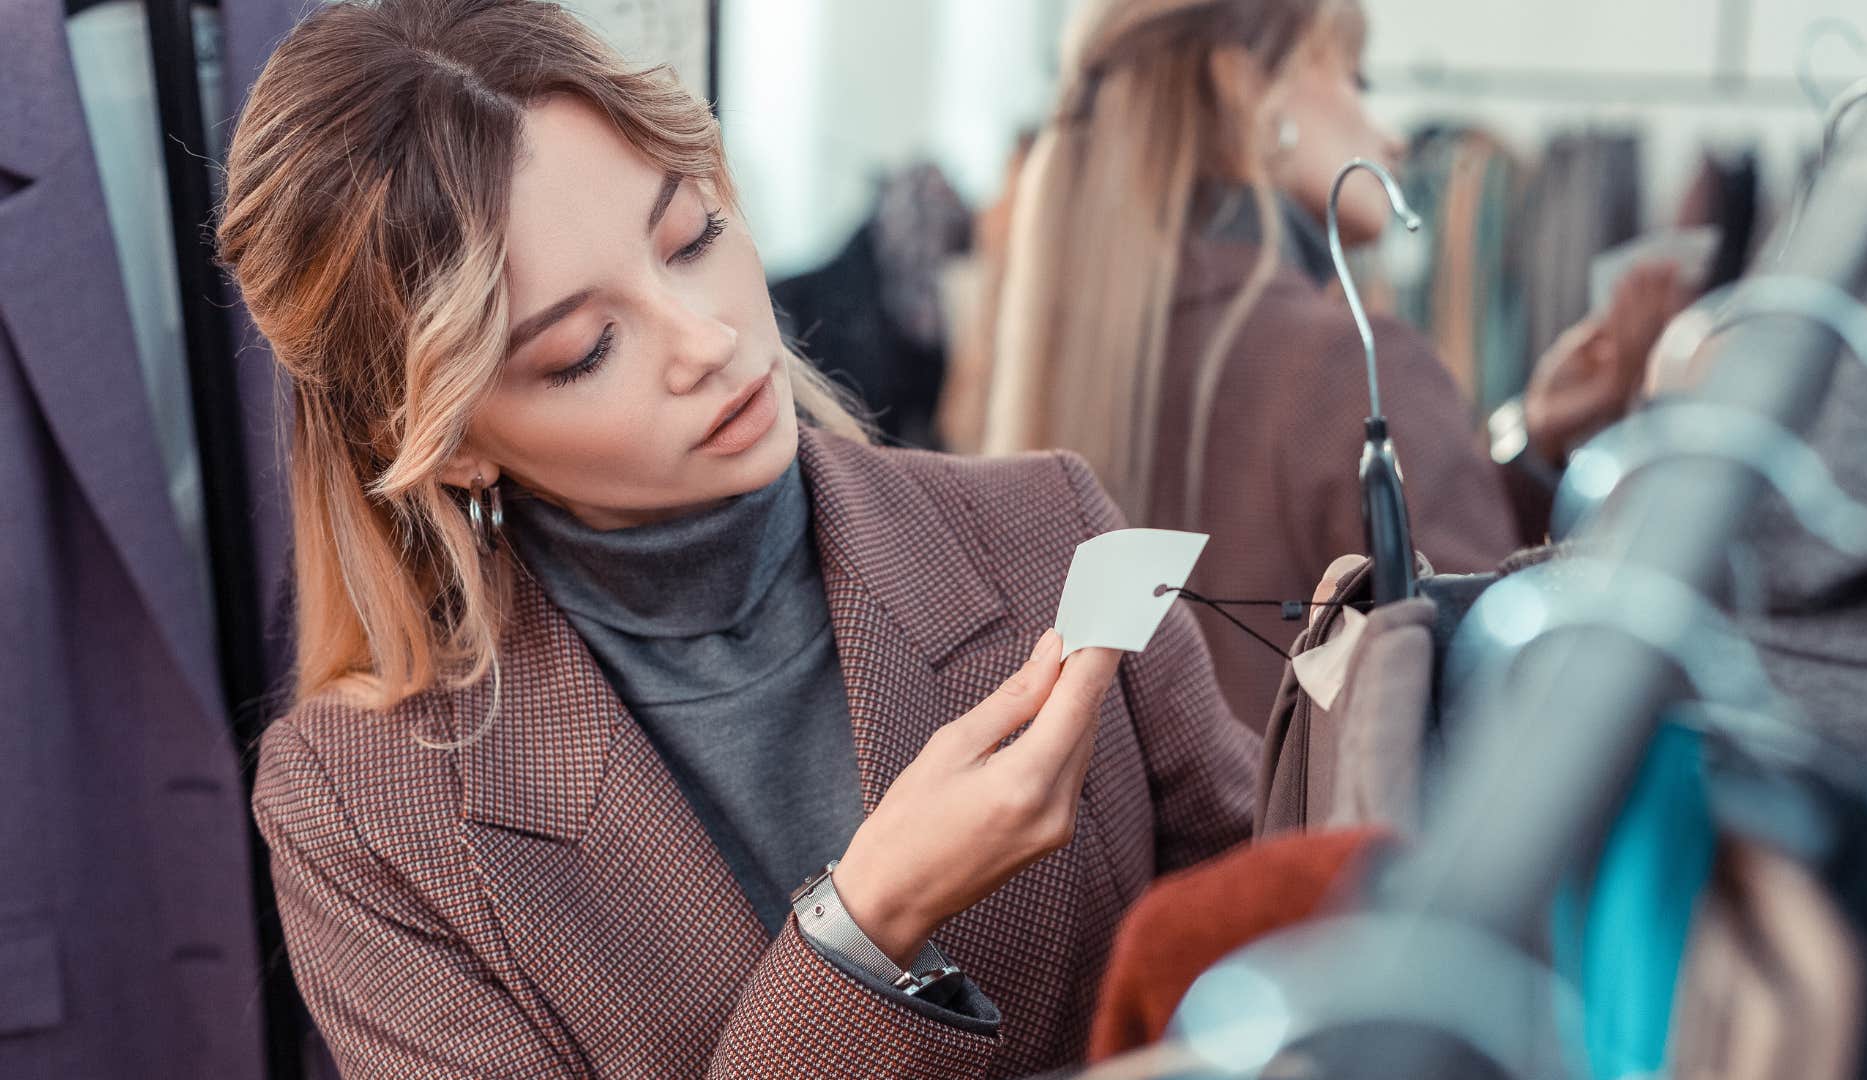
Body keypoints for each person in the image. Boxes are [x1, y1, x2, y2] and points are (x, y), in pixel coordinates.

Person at [219, 0, 1256, 1076]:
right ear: (444, 443)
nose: (705, 340)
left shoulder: (1048, 532)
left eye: (692, 236)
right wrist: (870, 918)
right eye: (582, 349)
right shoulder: (360, 804)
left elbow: (1295, 948)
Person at [985, 0, 1662, 731]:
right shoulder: (1348, 367)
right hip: (1333, 845)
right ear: (1247, 90)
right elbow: (1508, 678)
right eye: (1356, 78)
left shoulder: (1080, 357)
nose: (1393, 138)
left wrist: (1527, 443)